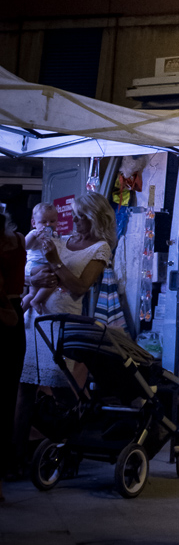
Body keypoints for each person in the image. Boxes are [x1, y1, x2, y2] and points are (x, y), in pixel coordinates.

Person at [15, 193, 116, 460]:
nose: (74, 219)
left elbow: (80, 287)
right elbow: (31, 267)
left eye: (81, 216)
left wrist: (55, 262)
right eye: (73, 214)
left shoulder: (100, 248)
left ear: (95, 217)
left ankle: (73, 444)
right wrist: (34, 274)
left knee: (61, 388)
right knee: (24, 388)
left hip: (61, 322)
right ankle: (15, 456)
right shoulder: (61, 240)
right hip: (33, 320)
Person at [0, 205, 27, 500]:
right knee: (8, 395)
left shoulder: (20, 241)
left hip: (9, 313)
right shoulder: (20, 240)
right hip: (14, 313)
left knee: (9, 394)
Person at [21, 203, 61, 312]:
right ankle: (36, 301)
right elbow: (24, 246)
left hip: (45, 266)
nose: (48, 224)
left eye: (52, 221)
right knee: (54, 274)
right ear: (34, 223)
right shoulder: (33, 233)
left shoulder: (56, 235)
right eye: (43, 222)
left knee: (35, 291)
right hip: (34, 266)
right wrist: (34, 236)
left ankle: (29, 305)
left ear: (57, 221)